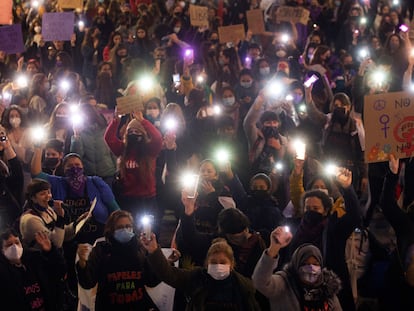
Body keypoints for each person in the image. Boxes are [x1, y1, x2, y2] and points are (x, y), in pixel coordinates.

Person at [141, 235, 261, 311]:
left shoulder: (244, 287)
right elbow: (168, 273)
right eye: (213, 262)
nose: (218, 265)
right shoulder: (196, 278)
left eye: (223, 262)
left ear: (232, 265)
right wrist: (154, 250)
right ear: (206, 264)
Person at [76, 210, 159, 310]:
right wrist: (82, 263)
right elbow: (88, 282)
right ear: (111, 230)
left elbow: (151, 280)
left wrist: (164, 263)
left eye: (128, 226)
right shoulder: (102, 249)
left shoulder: (140, 247)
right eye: (120, 227)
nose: (125, 230)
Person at [252, 228, 342, 311]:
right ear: (296, 265)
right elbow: (260, 281)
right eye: (304, 264)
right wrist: (274, 248)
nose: (311, 268)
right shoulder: (284, 284)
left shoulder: (327, 289)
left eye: (315, 264)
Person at [104, 111, 162, 229]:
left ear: (143, 134)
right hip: (128, 199)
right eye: (130, 132)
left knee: (149, 230)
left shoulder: (150, 150)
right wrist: (116, 120)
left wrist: (142, 121)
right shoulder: (123, 149)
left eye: (137, 131)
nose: (133, 134)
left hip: (147, 199)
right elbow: (108, 138)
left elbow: (157, 138)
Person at [0, 229, 66, 310]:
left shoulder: (35, 260)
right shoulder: (3, 274)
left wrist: (50, 251)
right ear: (2, 250)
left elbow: (60, 271)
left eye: (17, 242)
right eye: (9, 245)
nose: (14, 247)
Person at [19, 178, 77, 248]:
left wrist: (76, 224)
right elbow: (56, 243)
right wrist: (60, 218)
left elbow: (62, 233)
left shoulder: (48, 210)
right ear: (33, 198)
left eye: (49, 192)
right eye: (43, 194)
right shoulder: (30, 220)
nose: (48, 197)